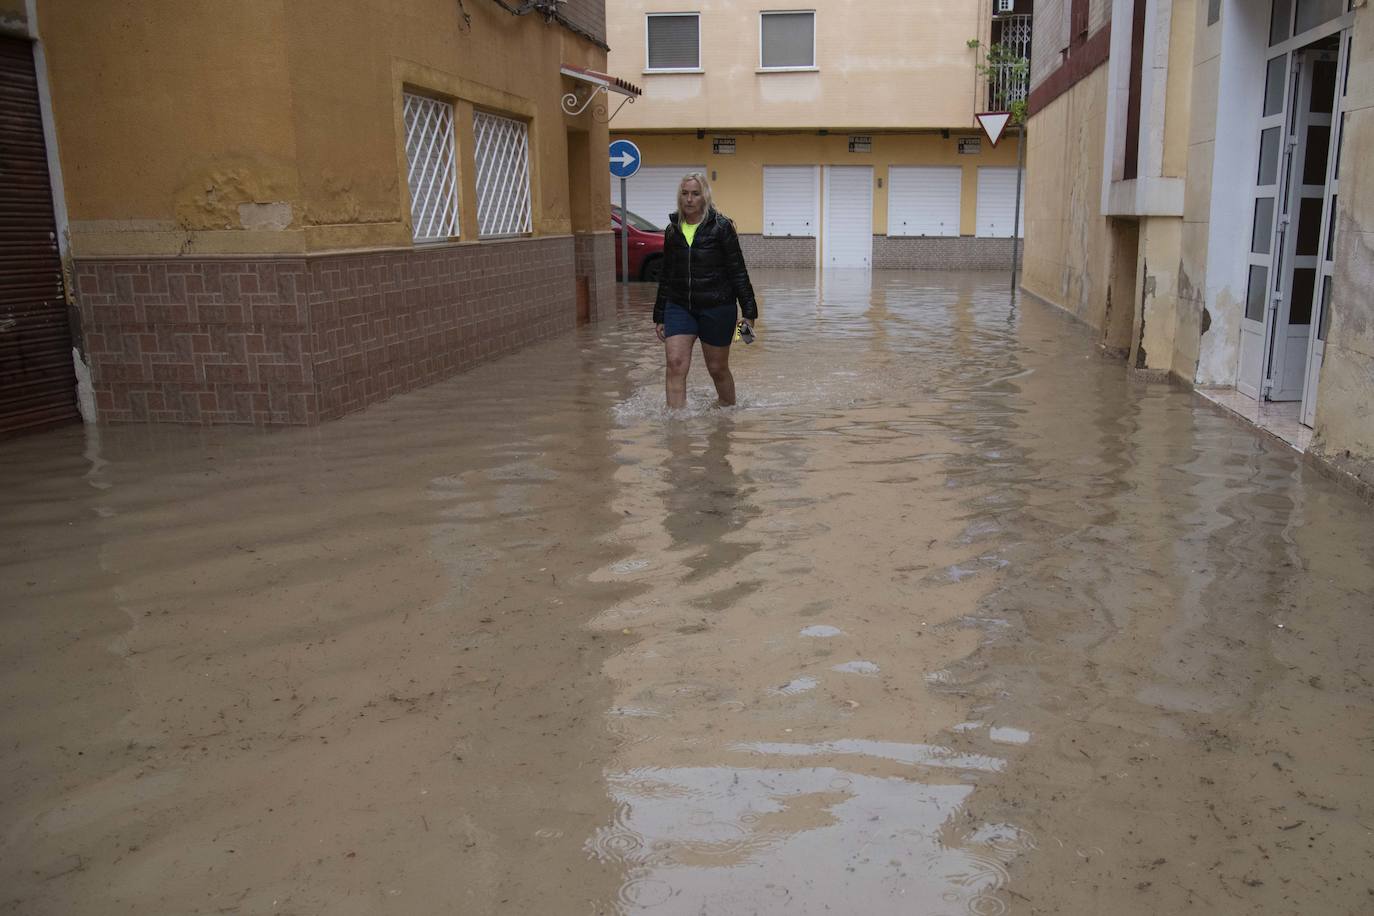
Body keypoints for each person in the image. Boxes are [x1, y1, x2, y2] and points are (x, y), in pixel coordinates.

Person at [653, 172, 758, 409]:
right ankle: (677, 428)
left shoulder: (722, 227)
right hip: (680, 306)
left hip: (718, 307)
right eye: (685, 194)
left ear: (704, 197)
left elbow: (738, 271)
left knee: (717, 368)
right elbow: (667, 274)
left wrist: (749, 313)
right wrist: (659, 315)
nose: (689, 199)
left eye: (695, 194)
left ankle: (727, 415)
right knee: (675, 363)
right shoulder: (672, 230)